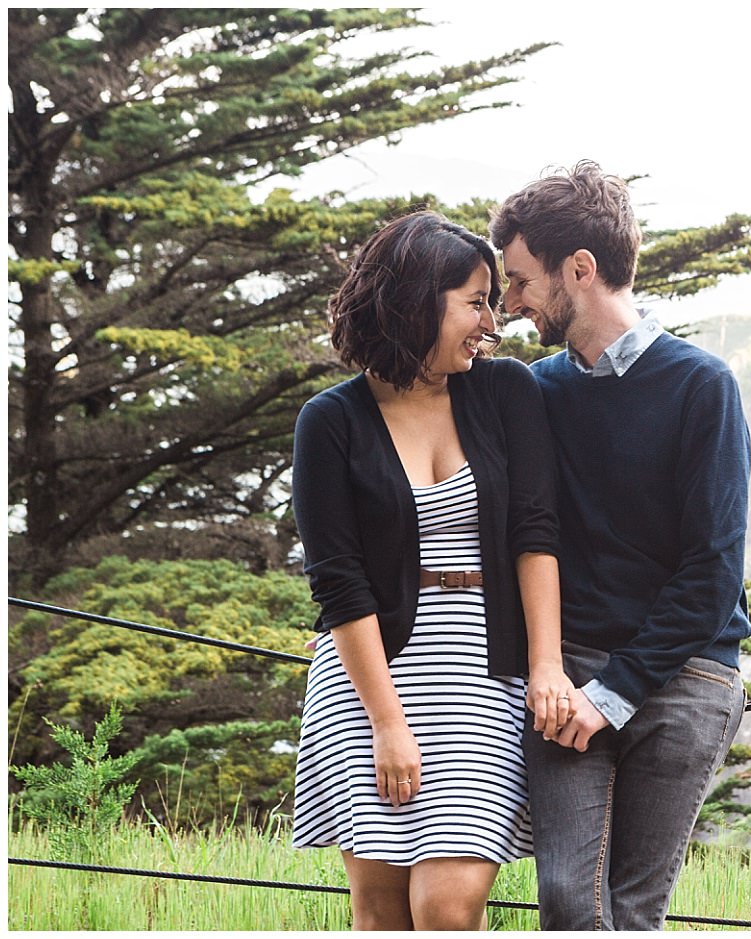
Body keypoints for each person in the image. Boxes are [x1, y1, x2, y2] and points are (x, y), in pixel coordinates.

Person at [289, 210, 575, 930]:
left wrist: (546, 664)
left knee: (446, 905)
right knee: (381, 911)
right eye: (475, 301)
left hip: (482, 668)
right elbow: (339, 582)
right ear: (417, 301)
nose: (493, 320)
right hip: (369, 678)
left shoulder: (507, 392)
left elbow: (535, 533)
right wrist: (387, 722)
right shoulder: (329, 422)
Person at [489, 162, 751, 930]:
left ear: (581, 269)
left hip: (688, 672)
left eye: (519, 281)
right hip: (565, 673)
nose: (509, 306)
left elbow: (713, 572)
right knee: (569, 902)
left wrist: (615, 694)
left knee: (633, 911)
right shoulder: (533, 391)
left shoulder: (703, 386)